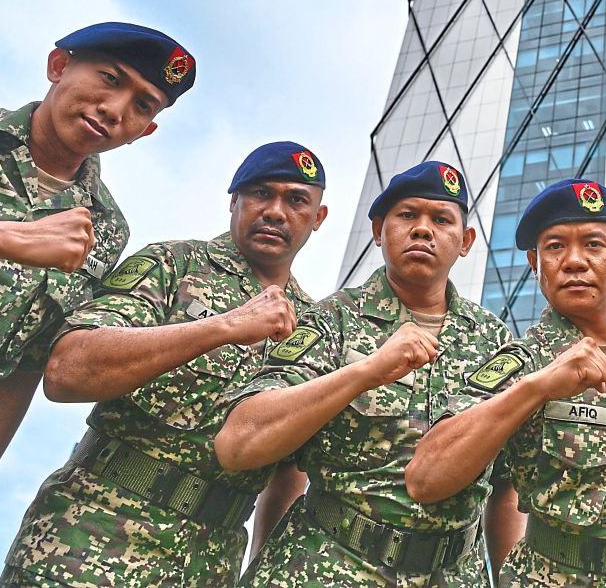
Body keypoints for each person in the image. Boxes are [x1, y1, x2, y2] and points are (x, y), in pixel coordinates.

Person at [0, 22, 195, 581]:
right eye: (109, 79)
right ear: (58, 65)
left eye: (141, 104)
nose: (115, 109)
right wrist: (6, 238)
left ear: (147, 130)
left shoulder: (104, 229)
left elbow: (17, 378)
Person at [0, 141, 326, 586]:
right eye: (260, 193)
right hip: (88, 536)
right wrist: (224, 326)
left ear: (317, 218)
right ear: (234, 201)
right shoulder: (173, 264)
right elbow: (66, 372)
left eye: (296, 200)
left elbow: (288, 470)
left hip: (207, 563)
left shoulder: (315, 330)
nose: (274, 211)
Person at [406, 179, 606, 588]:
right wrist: (536, 389)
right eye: (555, 246)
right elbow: (425, 476)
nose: (574, 261)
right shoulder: (521, 364)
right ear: (535, 263)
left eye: (593, 244)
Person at [215, 161, 520, 586]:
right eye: (408, 215)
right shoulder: (331, 320)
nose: (422, 230)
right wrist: (364, 372)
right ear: (378, 231)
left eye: (441, 219)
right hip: (328, 566)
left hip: (452, 574)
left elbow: (504, 485)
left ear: (465, 241)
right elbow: (240, 443)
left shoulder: (495, 341)